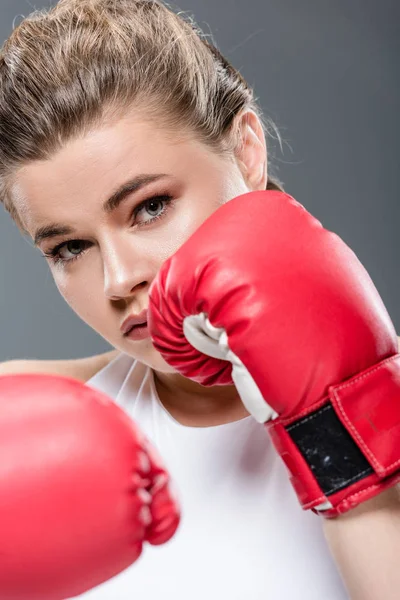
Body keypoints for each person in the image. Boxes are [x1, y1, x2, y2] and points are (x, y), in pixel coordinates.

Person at [0, 1, 399, 599]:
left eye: (150, 207)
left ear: (246, 150)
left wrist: (340, 428)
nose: (118, 279)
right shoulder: (21, 422)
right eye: (69, 247)